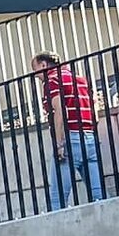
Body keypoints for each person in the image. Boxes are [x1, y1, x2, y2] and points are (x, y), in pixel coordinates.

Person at [33, 51, 106, 211]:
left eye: (36, 70)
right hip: (89, 138)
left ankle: (58, 234)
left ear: (44, 65)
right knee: (99, 196)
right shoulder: (80, 80)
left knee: (58, 199)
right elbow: (94, 109)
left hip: (70, 140)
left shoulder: (53, 80)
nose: (36, 76)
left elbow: (60, 111)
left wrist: (59, 144)